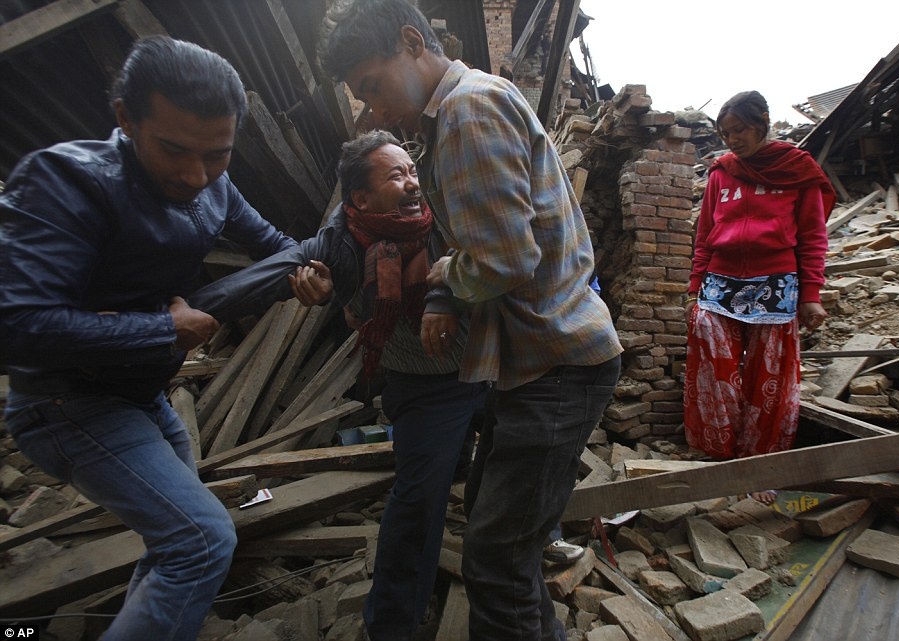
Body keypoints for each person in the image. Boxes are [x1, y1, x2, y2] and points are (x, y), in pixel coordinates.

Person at [322, 3, 624, 639]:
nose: (375, 113)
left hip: (555, 365)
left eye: (372, 87)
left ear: (411, 42)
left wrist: (443, 278)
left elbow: (507, 257)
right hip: (542, 365)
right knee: (501, 554)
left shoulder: (464, 112)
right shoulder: (470, 105)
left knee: (496, 564)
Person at [0, 36, 297, 641]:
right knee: (203, 539)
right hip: (66, 405)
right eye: (174, 150)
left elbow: (276, 247)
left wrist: (306, 275)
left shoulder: (214, 183)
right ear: (125, 119)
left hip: (142, 396)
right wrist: (163, 328)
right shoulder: (64, 181)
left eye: (217, 154)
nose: (196, 174)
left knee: (176, 547)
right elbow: (15, 326)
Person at [188, 129, 488, 641]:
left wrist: (447, 298)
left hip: (490, 362)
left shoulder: (443, 203)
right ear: (361, 200)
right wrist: (194, 309)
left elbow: (491, 249)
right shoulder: (343, 243)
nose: (412, 182)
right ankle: (391, 625)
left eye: (410, 169)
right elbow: (278, 269)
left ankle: (528, 539)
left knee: (510, 459)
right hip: (425, 385)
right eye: (396, 176)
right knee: (417, 503)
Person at [684, 90, 836, 505]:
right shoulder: (721, 173)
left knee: (769, 376)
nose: (732, 140)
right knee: (715, 368)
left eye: (740, 130)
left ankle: (761, 460)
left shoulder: (797, 169)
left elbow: (812, 236)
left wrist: (811, 294)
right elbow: (704, 235)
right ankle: (721, 453)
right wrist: (696, 287)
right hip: (720, 282)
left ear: (763, 122)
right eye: (725, 132)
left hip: (776, 283)